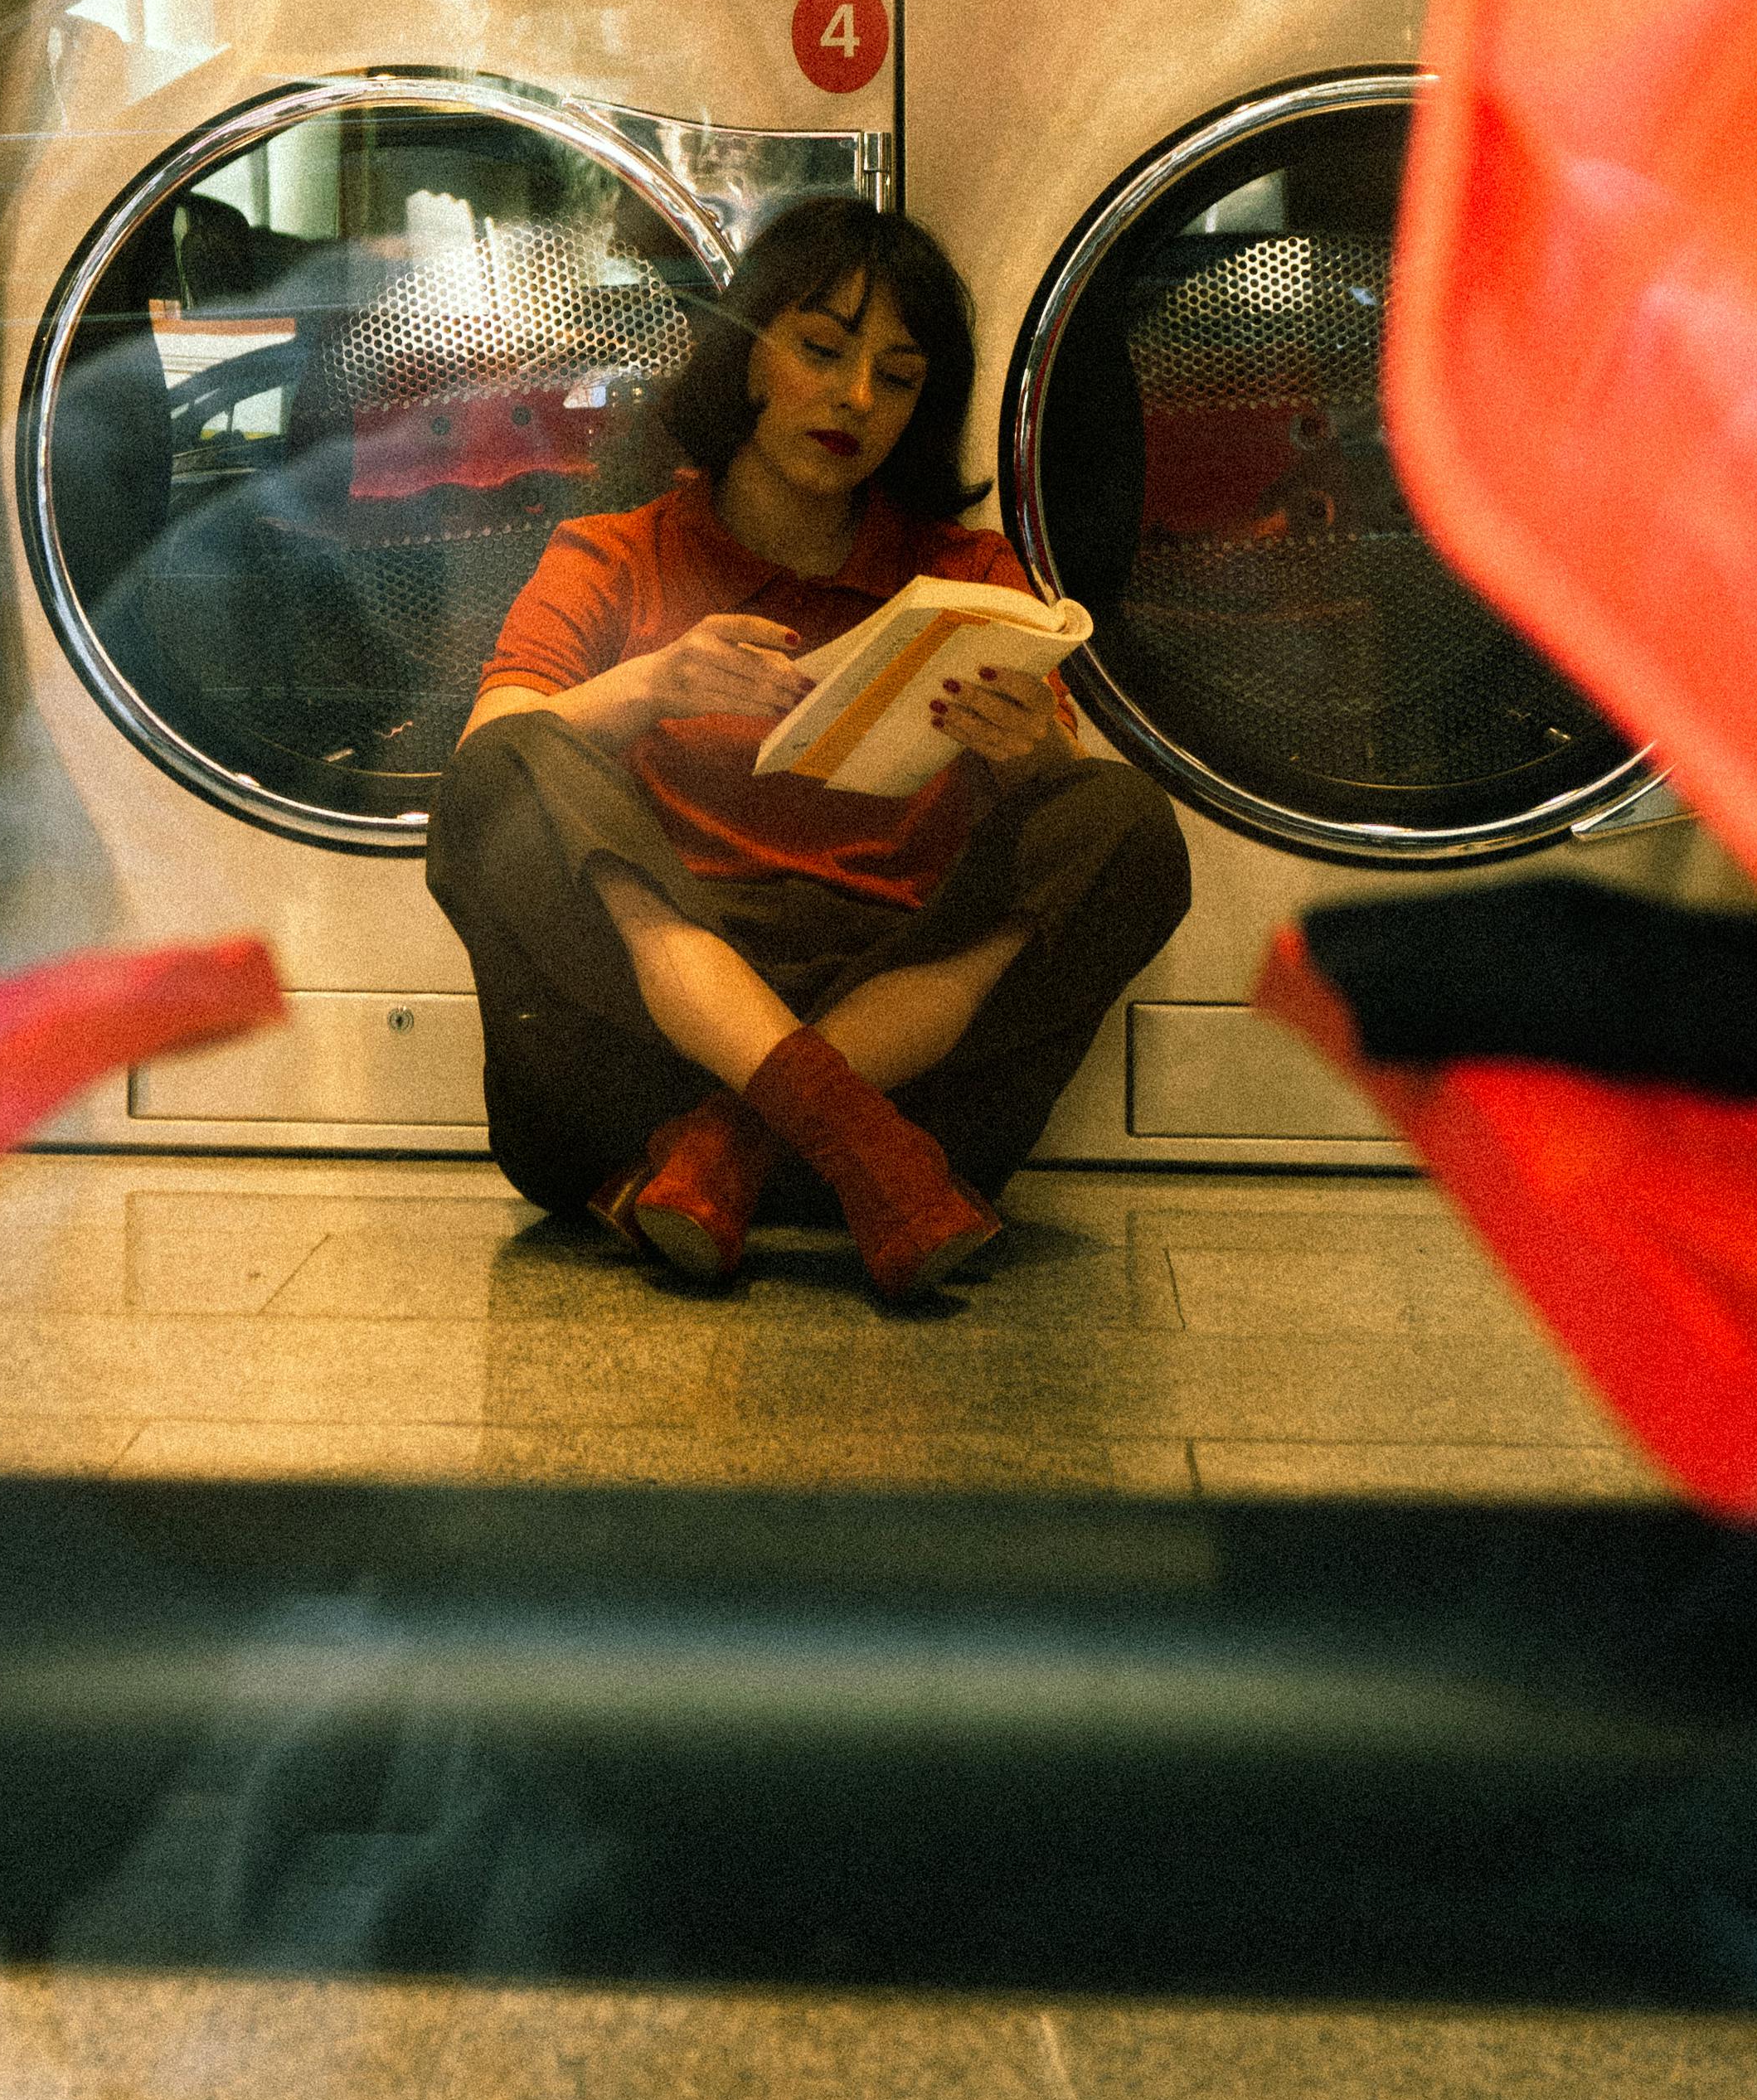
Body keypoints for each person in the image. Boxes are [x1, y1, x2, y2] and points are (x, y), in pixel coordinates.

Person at [428, 196, 1190, 1298]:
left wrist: (1029, 756)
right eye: (821, 351)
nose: (854, 398)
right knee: (509, 764)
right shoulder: (612, 555)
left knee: (1117, 817)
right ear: (744, 359)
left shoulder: (963, 576)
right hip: (653, 1058)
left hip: (904, 1064)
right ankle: (829, 1132)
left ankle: (733, 1147)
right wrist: (653, 685)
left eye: (897, 375)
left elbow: (1063, 830)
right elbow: (487, 762)